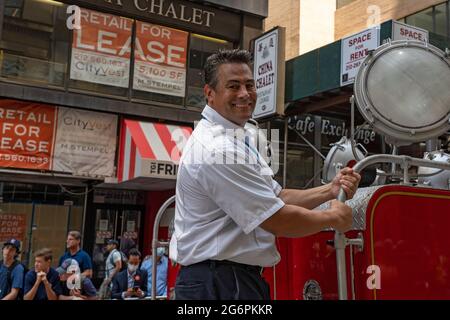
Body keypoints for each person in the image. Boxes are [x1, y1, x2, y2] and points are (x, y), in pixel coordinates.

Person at [169, 49, 361, 300]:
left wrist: (329, 190)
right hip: (219, 284)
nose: (244, 94)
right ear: (209, 94)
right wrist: (332, 217)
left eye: (249, 85)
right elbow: (277, 219)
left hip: (231, 280)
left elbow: (277, 196)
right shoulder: (218, 149)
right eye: (233, 86)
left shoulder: (237, 137)